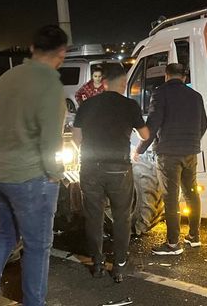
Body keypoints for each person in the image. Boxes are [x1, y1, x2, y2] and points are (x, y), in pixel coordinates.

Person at [0, 25, 68, 306]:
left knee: (3, 236)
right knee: (38, 247)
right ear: (61, 53)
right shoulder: (50, 83)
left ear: (32, 48)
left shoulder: (7, 77)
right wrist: (56, 173)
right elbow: (51, 137)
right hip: (31, 176)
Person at [72, 63, 144, 283]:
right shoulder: (130, 106)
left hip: (90, 167)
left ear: (103, 82)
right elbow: (145, 133)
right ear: (123, 82)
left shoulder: (87, 105)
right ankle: (120, 265)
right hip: (119, 169)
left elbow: (76, 138)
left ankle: (98, 263)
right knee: (122, 217)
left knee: (94, 216)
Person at [133, 63, 207, 256]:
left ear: (167, 76)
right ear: (183, 77)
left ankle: (173, 243)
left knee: (171, 196)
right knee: (191, 192)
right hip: (190, 152)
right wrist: (192, 141)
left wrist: (140, 150)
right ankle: (194, 236)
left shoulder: (160, 93)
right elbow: (204, 124)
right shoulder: (195, 96)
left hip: (168, 154)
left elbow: (153, 124)